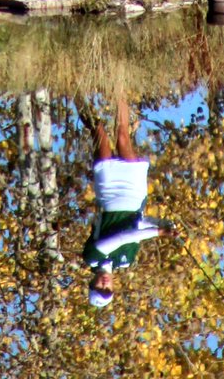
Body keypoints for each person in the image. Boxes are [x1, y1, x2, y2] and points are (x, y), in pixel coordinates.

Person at [80, 98, 177, 310]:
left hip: (109, 194)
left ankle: (76, 93)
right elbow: (137, 225)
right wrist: (162, 224)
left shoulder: (91, 257)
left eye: (99, 288)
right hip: (133, 195)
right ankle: (120, 87)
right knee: (123, 137)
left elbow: (124, 236)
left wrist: (159, 232)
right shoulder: (126, 260)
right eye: (108, 290)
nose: (104, 285)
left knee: (99, 133)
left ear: (91, 284)